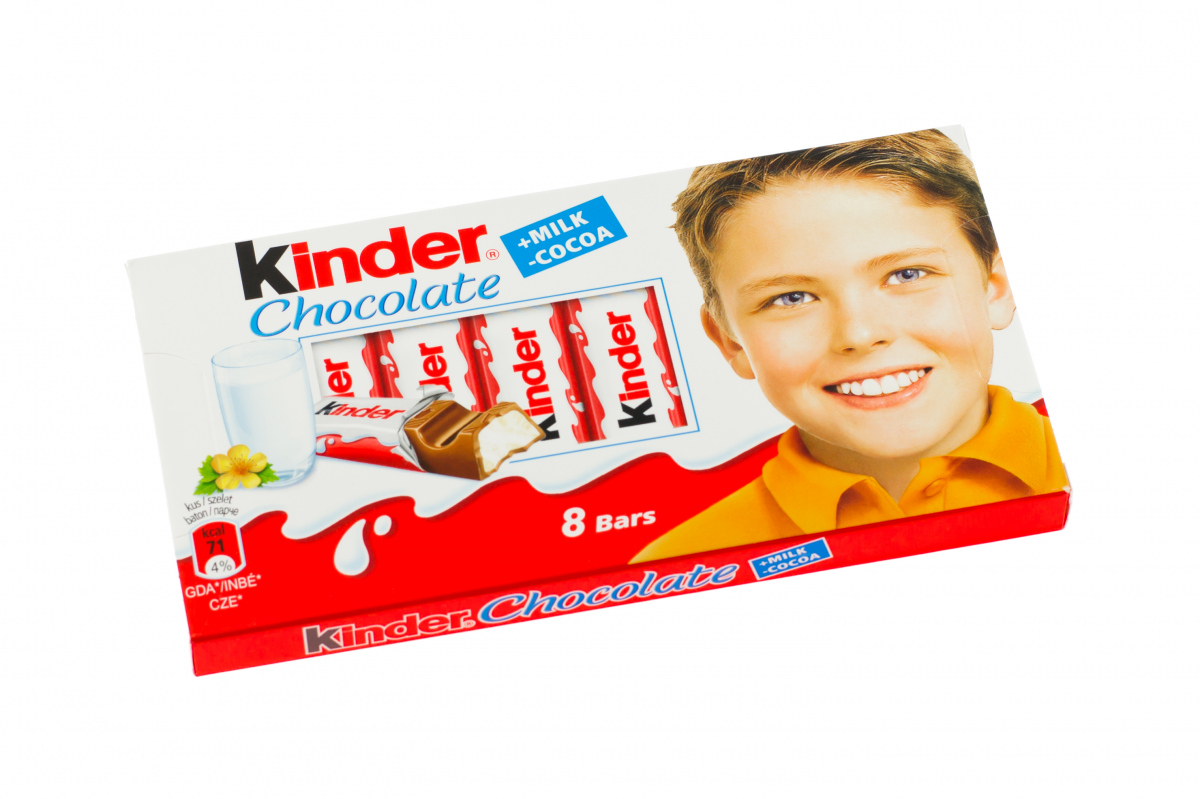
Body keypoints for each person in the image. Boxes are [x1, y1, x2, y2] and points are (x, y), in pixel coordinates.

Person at [632, 130, 1068, 563]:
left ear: (996, 288)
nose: (859, 335)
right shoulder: (679, 565)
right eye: (792, 298)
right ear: (730, 341)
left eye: (907, 274)